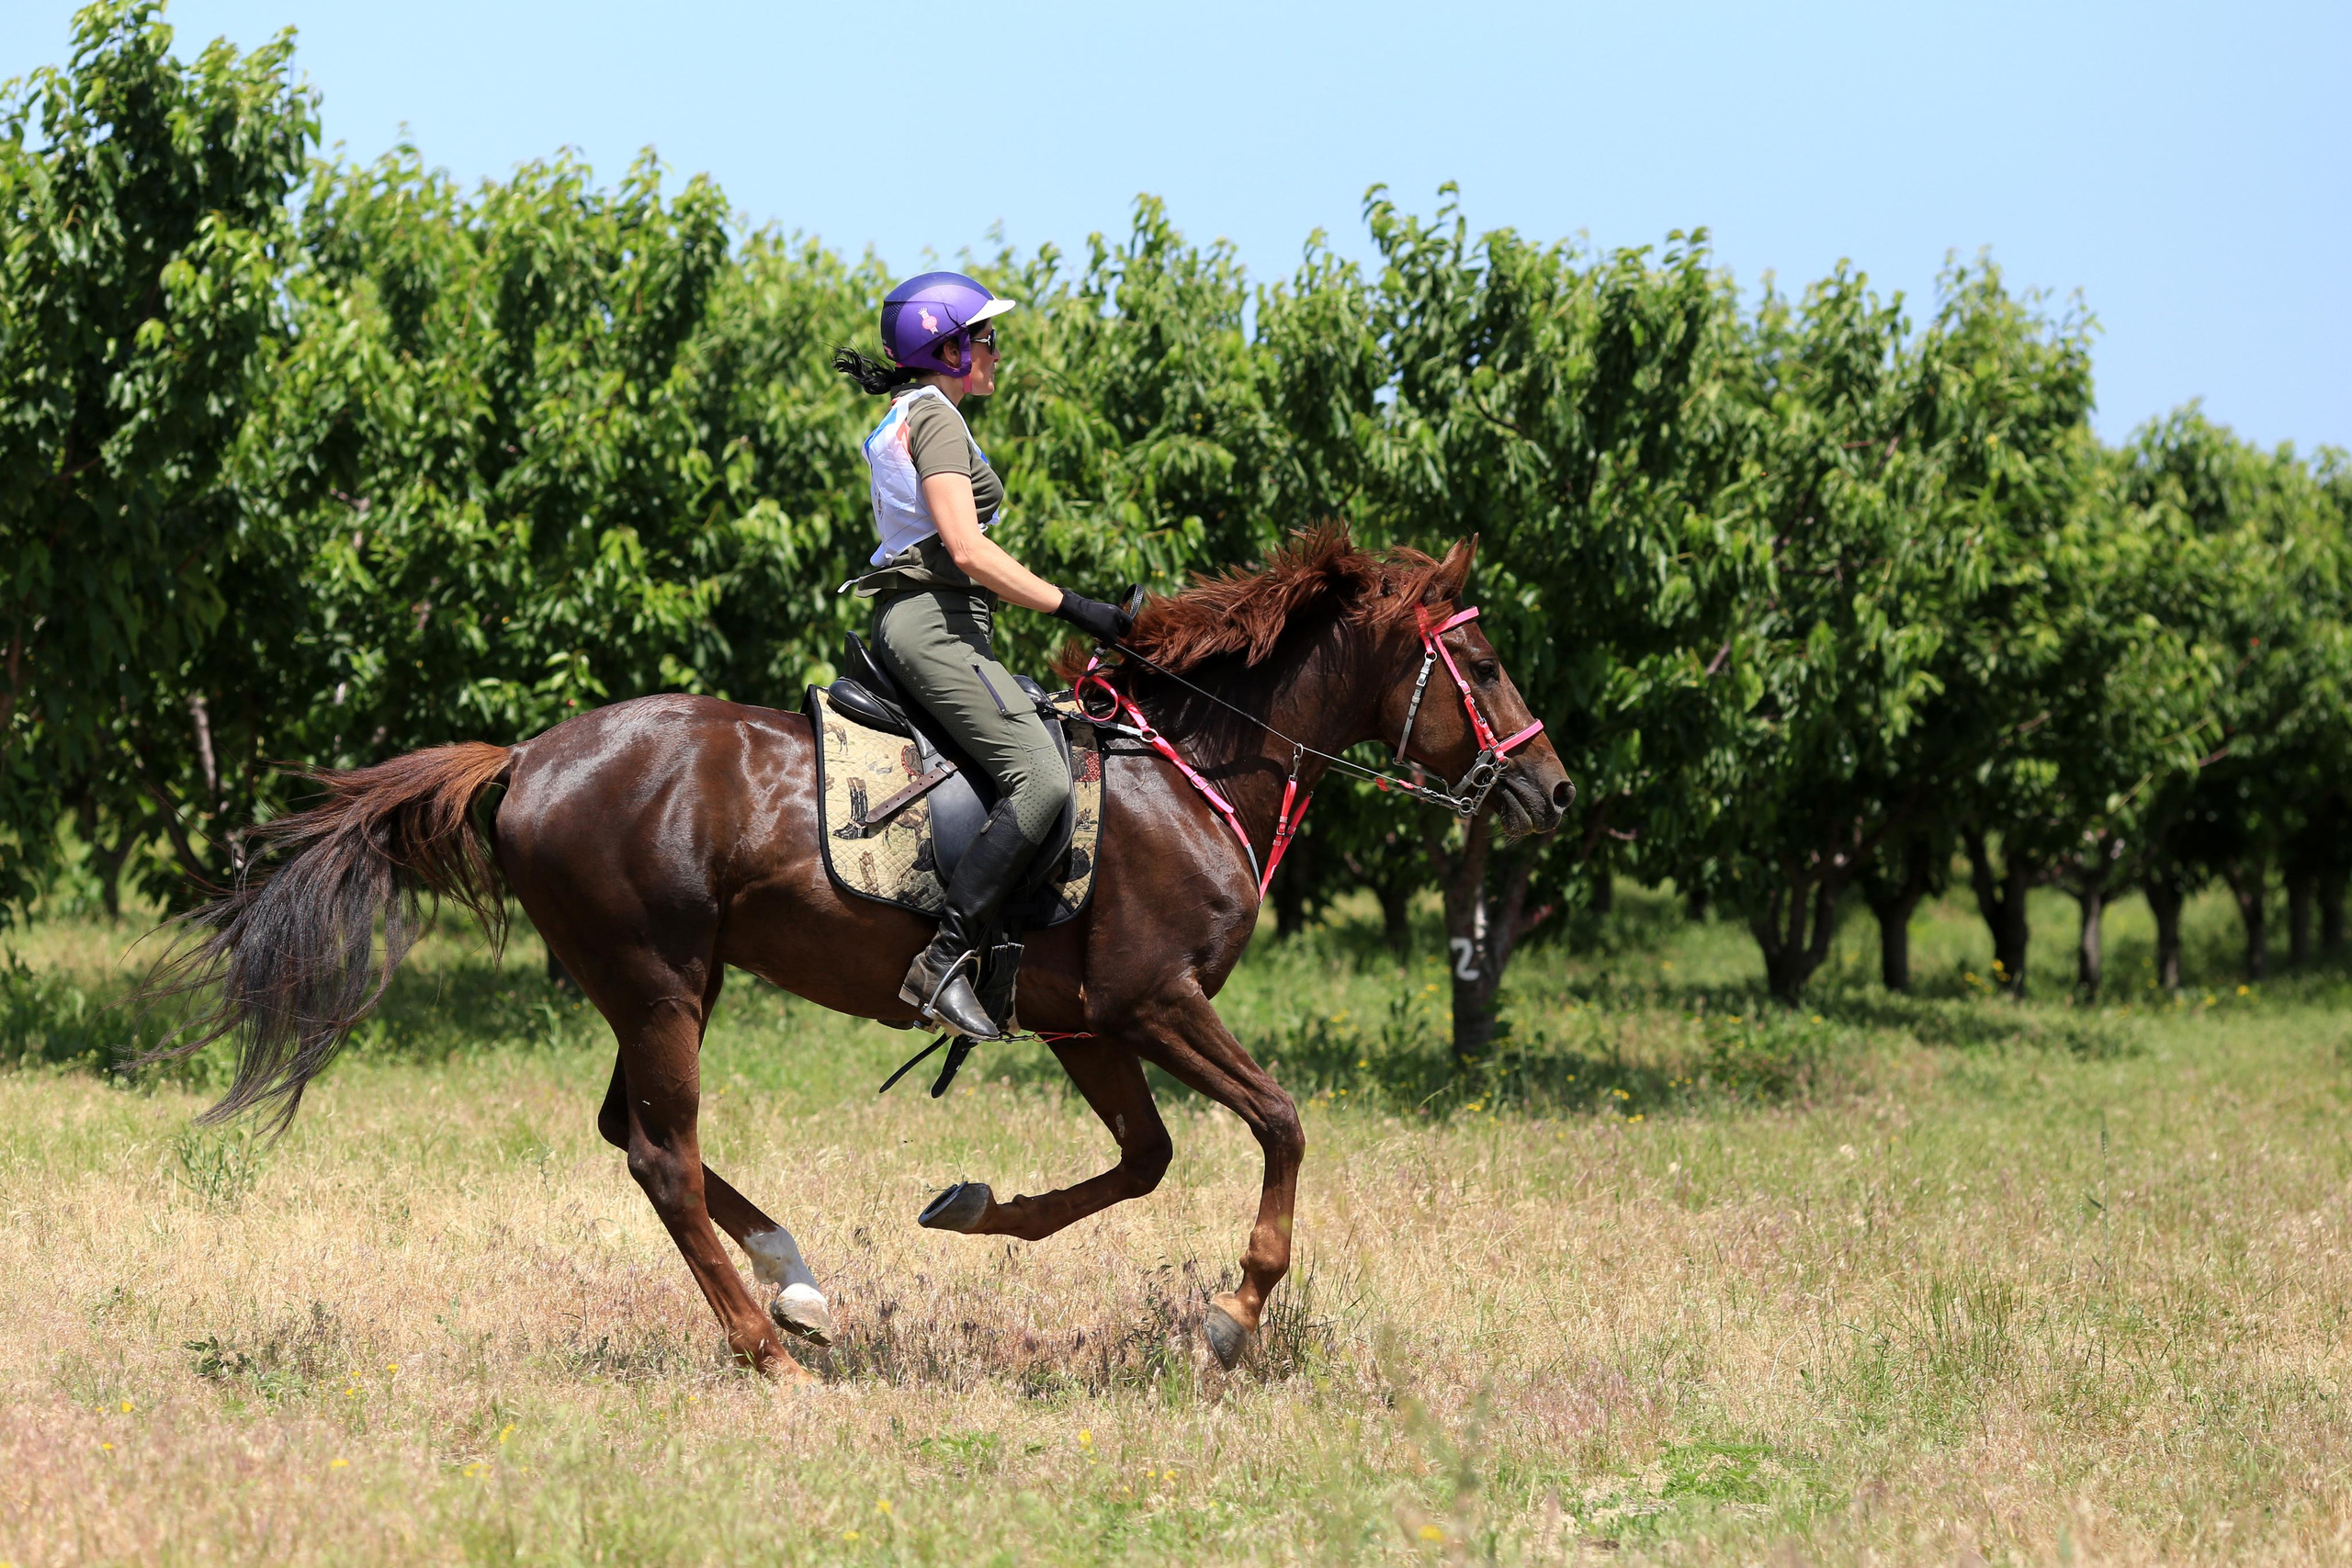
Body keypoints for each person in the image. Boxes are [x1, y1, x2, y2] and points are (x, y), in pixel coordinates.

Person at [833, 271, 1132, 1039]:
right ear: (951, 346)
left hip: (944, 621)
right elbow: (966, 549)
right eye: (988, 336)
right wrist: (1078, 606)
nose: (998, 349)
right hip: (934, 622)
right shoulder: (932, 416)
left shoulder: (918, 412)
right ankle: (946, 959)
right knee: (1040, 781)